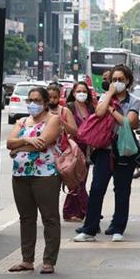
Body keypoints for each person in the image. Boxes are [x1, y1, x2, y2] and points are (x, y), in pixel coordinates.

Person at [74, 64, 140, 243]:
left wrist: (112, 110)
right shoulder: (105, 97)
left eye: (121, 80)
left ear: (128, 81)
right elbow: (99, 112)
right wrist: (110, 95)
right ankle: (90, 228)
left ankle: (118, 228)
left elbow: (129, 122)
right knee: (96, 188)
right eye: (114, 80)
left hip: (124, 151)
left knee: (122, 190)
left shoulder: (133, 101)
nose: (117, 83)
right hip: (104, 150)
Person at [7, 87, 61, 274]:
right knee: (26, 218)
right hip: (20, 174)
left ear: (46, 103)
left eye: (37, 100)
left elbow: (43, 143)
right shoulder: (22, 121)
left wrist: (18, 147)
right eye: (30, 100)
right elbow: (9, 143)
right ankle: (27, 260)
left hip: (44, 175)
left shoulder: (53, 119)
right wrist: (29, 141)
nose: (33, 104)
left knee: (49, 217)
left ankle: (49, 261)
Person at [61, 81, 94, 222]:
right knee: (76, 181)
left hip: (87, 149)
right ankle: (89, 209)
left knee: (82, 180)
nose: (82, 94)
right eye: (79, 91)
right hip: (73, 147)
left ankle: (75, 212)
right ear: (73, 93)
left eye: (84, 91)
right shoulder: (69, 108)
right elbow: (64, 127)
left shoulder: (91, 108)